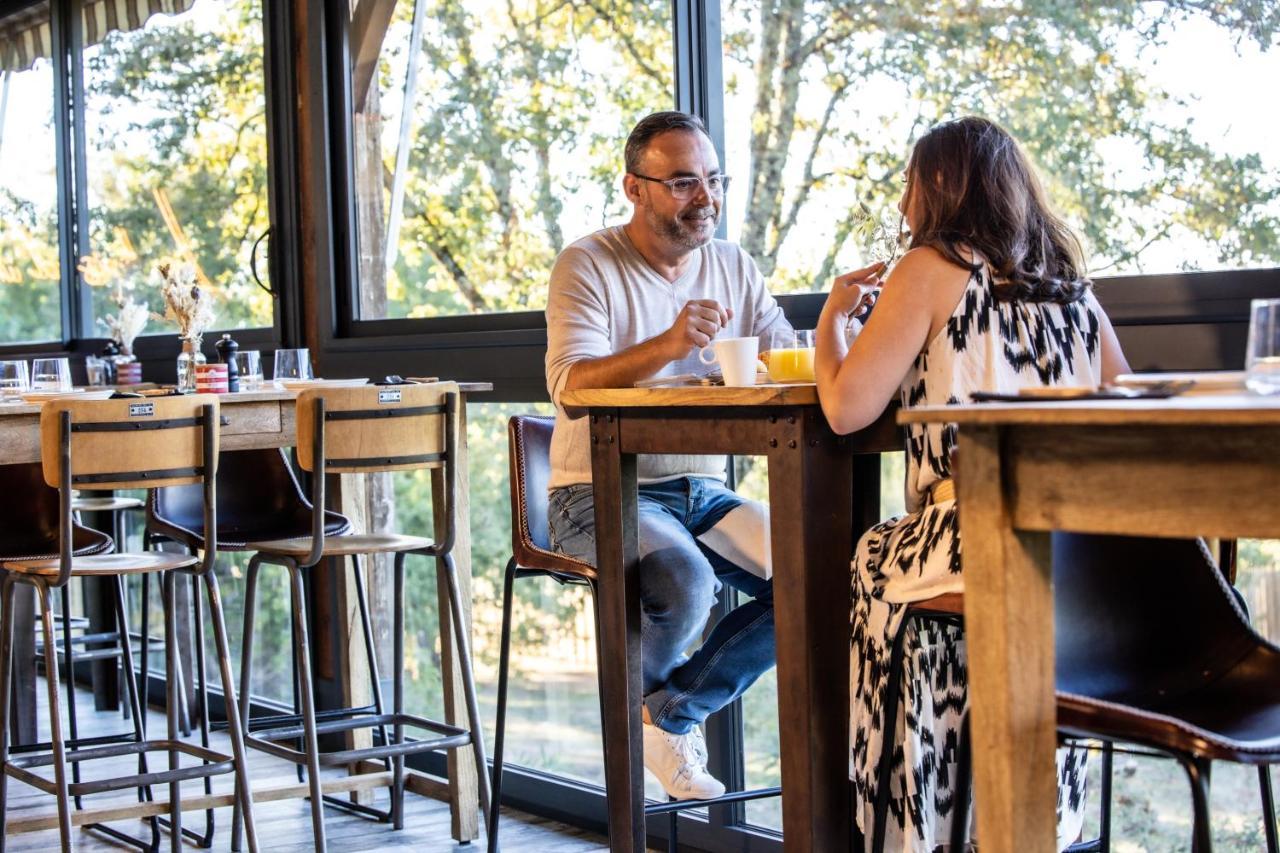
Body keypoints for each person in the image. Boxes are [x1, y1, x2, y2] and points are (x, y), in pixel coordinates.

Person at [814, 116, 1131, 851]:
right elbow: (1125, 403)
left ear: (937, 187)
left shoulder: (928, 268)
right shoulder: (1072, 290)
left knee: (872, 558)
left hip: (972, 534)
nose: (901, 207)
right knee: (947, 585)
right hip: (1076, 549)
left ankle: (908, 817)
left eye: (907, 186)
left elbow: (844, 407)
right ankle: (1019, 813)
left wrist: (834, 320)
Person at [544, 111, 791, 800]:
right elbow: (569, 385)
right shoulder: (587, 262)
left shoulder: (735, 264)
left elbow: (784, 357)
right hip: (597, 489)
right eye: (683, 181)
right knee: (684, 581)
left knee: (819, 576)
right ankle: (646, 736)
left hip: (702, 491)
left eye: (712, 179)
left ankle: (671, 714)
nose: (704, 197)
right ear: (636, 186)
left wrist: (844, 325)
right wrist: (670, 344)